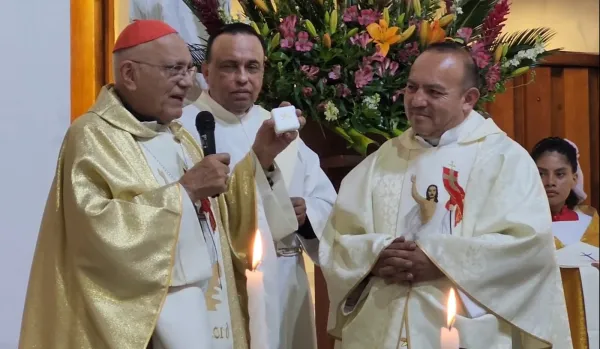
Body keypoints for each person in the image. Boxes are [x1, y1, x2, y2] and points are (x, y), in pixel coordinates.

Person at [18, 20, 303, 349]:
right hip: (149, 330)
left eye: (189, 69)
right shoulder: (93, 136)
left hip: (207, 318)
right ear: (129, 74)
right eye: (174, 69)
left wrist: (261, 156)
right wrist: (185, 192)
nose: (186, 82)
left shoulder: (180, 138)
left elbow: (222, 228)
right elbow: (97, 236)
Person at [319, 42, 572, 349]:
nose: (417, 101)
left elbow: (528, 249)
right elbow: (338, 239)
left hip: (467, 332)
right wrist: (375, 256)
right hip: (380, 331)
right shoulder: (381, 160)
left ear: (469, 99)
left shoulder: (505, 161)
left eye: (434, 92)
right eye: (412, 88)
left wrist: (440, 260)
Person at [180, 22, 337, 349]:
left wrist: (306, 217)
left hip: (283, 284)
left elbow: (329, 206)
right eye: (229, 67)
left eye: (252, 67)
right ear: (205, 72)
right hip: (218, 285)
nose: (242, 78)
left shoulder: (281, 128)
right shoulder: (183, 129)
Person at [531, 137, 599, 349]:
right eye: (541, 173)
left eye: (560, 174)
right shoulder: (521, 228)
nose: (550, 182)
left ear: (574, 178)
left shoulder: (593, 225)